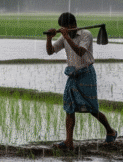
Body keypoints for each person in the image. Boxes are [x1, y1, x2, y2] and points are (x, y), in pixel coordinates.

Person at [45, 12, 117, 150]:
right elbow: (50, 51)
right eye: (61, 28)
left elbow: (80, 52)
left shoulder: (86, 35)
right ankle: (69, 142)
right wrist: (49, 38)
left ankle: (110, 131)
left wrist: (66, 37)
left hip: (86, 73)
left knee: (92, 108)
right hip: (73, 75)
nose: (63, 30)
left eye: (65, 27)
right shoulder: (64, 37)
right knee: (69, 107)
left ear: (73, 25)